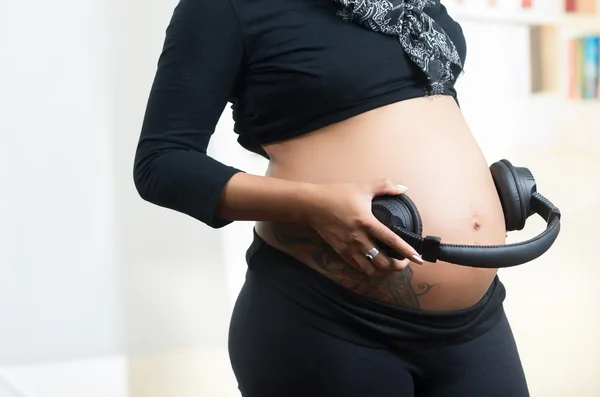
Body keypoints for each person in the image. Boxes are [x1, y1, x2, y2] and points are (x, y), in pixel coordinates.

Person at [133, 0, 530, 396]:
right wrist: (315, 204)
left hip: (476, 320)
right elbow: (162, 164)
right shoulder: (223, 8)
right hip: (326, 319)